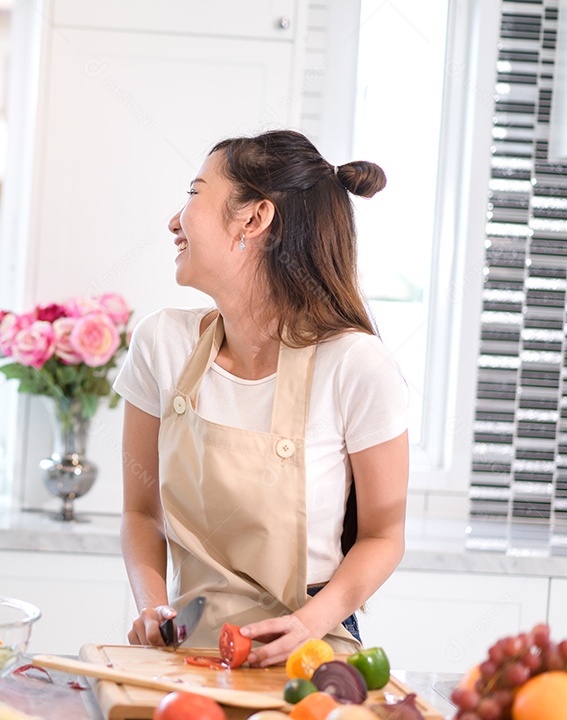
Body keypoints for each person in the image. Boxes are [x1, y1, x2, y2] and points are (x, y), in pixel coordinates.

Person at [115, 129, 408, 667]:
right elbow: (141, 512)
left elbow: (384, 535)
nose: (175, 221)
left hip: (311, 648)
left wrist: (307, 625)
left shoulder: (356, 364)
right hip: (187, 647)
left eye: (194, 193)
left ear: (253, 219)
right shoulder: (161, 343)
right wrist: (153, 608)